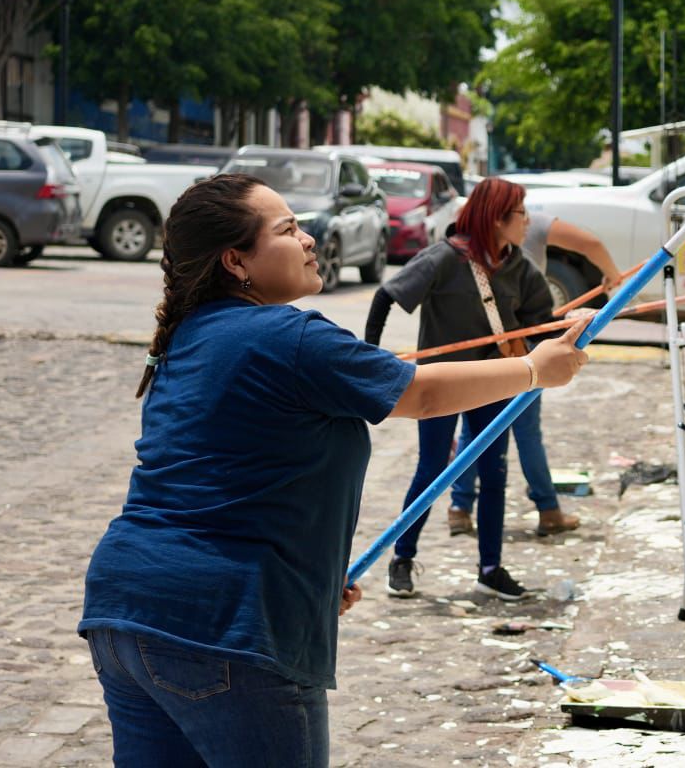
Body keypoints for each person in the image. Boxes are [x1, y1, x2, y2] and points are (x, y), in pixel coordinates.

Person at [79, 173, 589, 766]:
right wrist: (534, 371)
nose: (309, 239)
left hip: (124, 613)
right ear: (235, 261)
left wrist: (310, 578)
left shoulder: (186, 335)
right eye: (287, 230)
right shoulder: (289, 336)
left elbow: (228, 476)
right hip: (225, 621)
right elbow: (421, 395)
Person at [364, 177, 562, 601]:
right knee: (432, 468)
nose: (528, 222)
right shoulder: (444, 258)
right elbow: (386, 296)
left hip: (493, 384)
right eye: (521, 213)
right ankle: (402, 558)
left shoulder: (520, 266)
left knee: (494, 472)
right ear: (497, 218)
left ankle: (490, 569)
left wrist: (565, 330)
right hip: (439, 384)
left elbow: (542, 325)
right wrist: (368, 356)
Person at [446, 211, 621, 538]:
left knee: (476, 428)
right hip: (515, 345)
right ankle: (546, 508)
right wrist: (613, 275)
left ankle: (461, 507)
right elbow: (590, 243)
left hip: (502, 342)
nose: (526, 222)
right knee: (520, 430)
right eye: (520, 214)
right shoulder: (520, 233)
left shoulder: (489, 241)